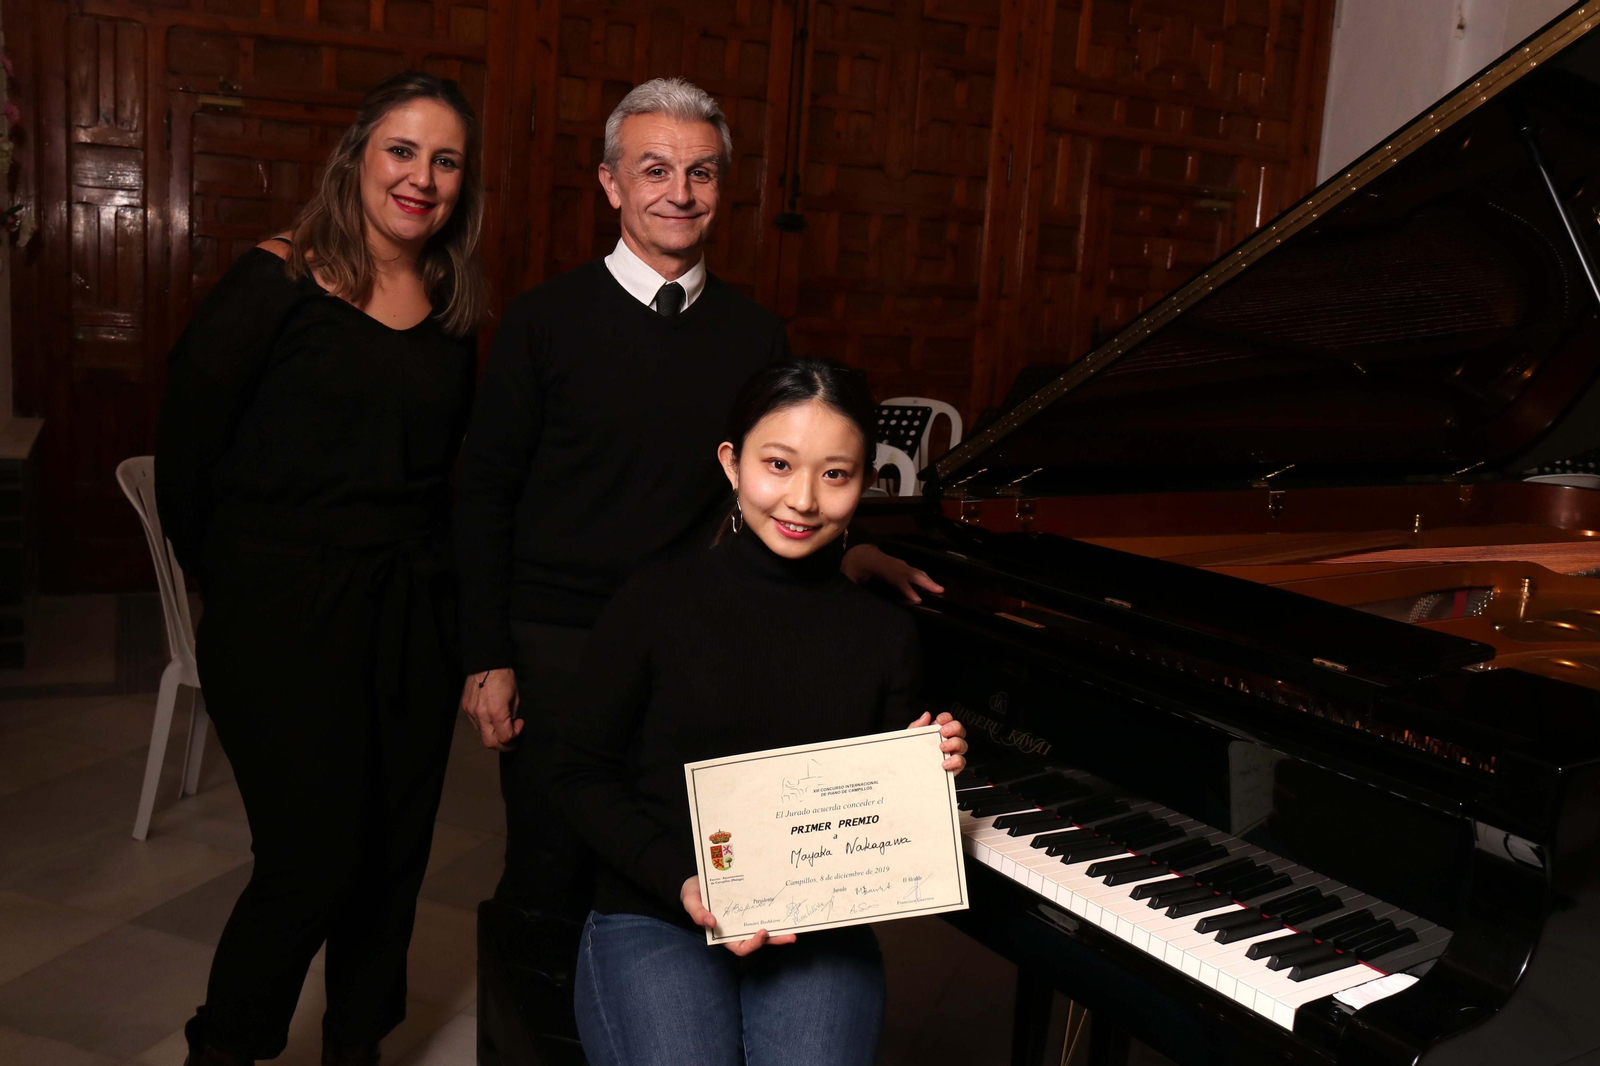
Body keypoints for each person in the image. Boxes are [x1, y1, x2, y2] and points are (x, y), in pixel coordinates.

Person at [453, 77, 939, 1060]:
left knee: (707, 848)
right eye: (654, 169)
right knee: (549, 876)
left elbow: (780, 477)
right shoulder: (546, 321)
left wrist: (852, 550)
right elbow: (482, 494)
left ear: (722, 188)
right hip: (561, 638)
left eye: (701, 171)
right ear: (610, 184)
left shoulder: (752, 332)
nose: (679, 190)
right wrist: (485, 653)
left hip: (703, 639)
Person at [154, 71, 485, 1066]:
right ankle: (226, 1046)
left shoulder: (450, 311)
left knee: (391, 858)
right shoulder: (276, 280)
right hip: (282, 618)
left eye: (445, 160)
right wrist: (244, 585)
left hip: (405, 621)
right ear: (357, 155)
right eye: (401, 150)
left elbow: (442, 486)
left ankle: (357, 1044)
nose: (420, 177)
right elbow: (186, 455)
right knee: (312, 857)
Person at [546, 356, 967, 1066]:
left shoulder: (886, 634)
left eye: (835, 474)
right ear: (732, 463)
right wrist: (685, 881)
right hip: (655, 910)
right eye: (778, 464)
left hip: (818, 925)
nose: (802, 499)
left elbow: (881, 824)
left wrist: (928, 774)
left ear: (864, 484)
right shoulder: (653, 605)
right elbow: (578, 776)